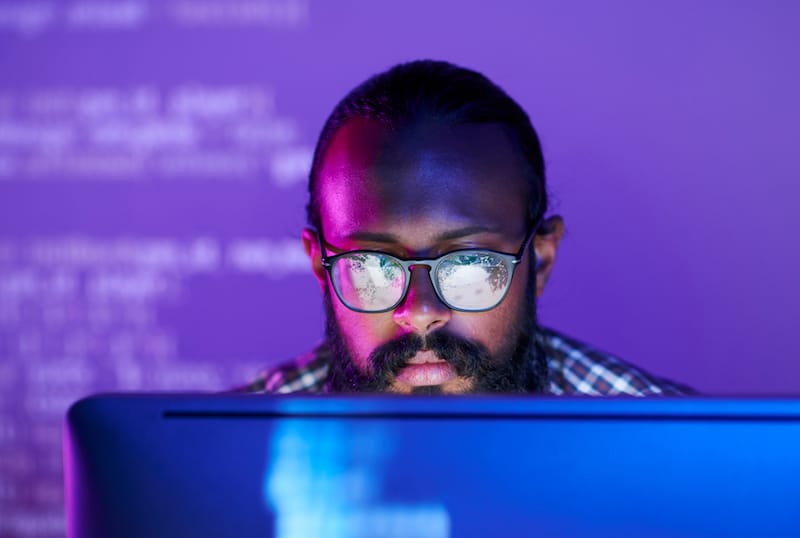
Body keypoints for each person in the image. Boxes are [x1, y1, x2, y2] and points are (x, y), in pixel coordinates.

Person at [244, 60, 691, 396]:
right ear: (321, 266)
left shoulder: (678, 455)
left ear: (540, 259)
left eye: (470, 264)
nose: (420, 312)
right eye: (372, 267)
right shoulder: (222, 452)